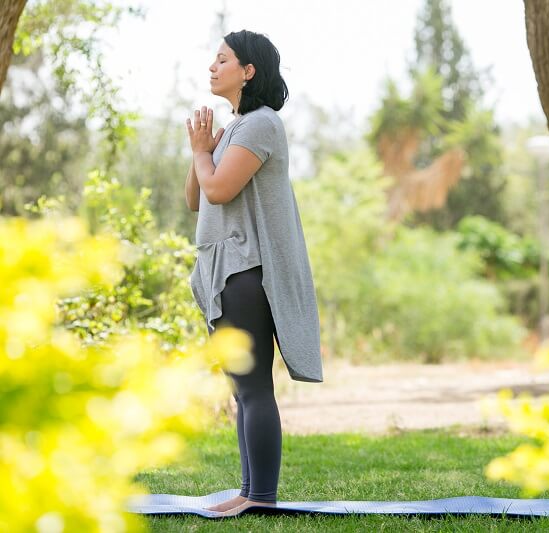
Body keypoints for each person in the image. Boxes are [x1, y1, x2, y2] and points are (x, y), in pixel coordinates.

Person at [183, 29, 324, 516]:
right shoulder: (238, 128)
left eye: (223, 59)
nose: (212, 66)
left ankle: (260, 496)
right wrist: (201, 149)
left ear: (249, 71)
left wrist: (205, 154)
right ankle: (249, 491)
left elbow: (218, 189)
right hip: (227, 270)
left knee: (252, 385)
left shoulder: (262, 124)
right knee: (242, 388)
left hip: (247, 270)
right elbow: (195, 198)